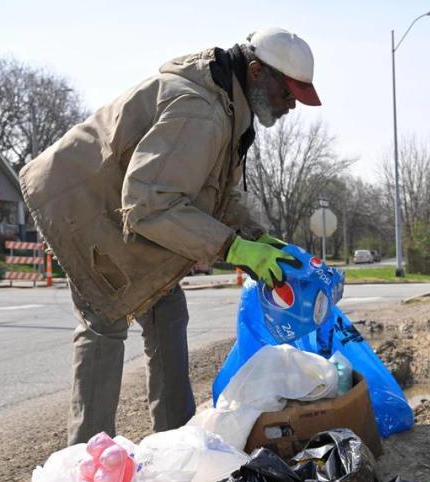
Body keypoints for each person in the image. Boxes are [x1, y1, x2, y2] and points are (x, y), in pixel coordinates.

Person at [19, 27, 321, 445]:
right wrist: (233, 248)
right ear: (255, 72)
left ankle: (175, 446)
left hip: (121, 211)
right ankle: (87, 466)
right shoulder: (200, 110)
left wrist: (256, 237)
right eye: (288, 93)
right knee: (104, 324)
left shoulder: (229, 108)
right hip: (83, 209)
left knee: (167, 312)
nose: (291, 106)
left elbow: (215, 192)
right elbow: (148, 203)